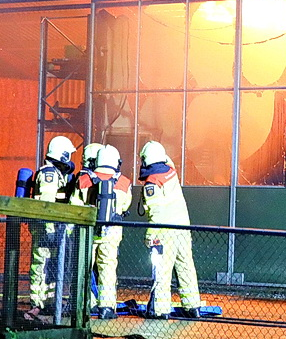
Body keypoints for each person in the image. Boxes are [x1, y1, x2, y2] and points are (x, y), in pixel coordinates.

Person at [138, 140, 202, 319]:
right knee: (186, 267)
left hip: (164, 233)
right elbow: (168, 161)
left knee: (162, 271)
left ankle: (160, 310)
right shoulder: (171, 173)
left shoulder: (152, 183)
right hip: (183, 229)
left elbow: (156, 213)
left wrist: (150, 236)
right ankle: (193, 307)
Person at [71, 144, 132, 320]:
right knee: (108, 269)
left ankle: (85, 304)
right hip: (112, 233)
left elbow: (74, 205)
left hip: (88, 231)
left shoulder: (84, 180)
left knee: (84, 269)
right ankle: (107, 307)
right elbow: (124, 206)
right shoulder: (124, 182)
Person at [25, 136, 77, 322]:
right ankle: (37, 304)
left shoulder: (56, 174)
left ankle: (49, 303)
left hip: (53, 231)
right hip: (46, 231)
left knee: (53, 268)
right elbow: (47, 205)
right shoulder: (50, 174)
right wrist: (50, 230)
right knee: (41, 267)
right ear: (62, 155)